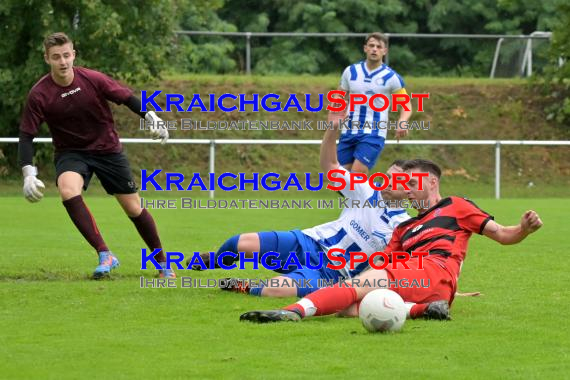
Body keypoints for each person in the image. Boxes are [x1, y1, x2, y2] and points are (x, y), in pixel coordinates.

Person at [239, 159, 543, 323]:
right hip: (423, 287)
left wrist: (524, 228)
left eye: (412, 183)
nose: (407, 190)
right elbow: (379, 261)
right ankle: (425, 311)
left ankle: (293, 313)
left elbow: (503, 234)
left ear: (432, 181)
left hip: (434, 270)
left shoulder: (456, 205)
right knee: (348, 307)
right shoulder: (404, 228)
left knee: (359, 286)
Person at [18, 32, 173, 279]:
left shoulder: (92, 79)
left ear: (74, 55)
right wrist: (28, 174)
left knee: (134, 208)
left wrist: (152, 117)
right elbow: (26, 136)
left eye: (67, 55)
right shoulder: (39, 94)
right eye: (56, 57)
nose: (63, 61)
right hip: (71, 153)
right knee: (68, 190)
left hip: (107, 150)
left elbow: (127, 98)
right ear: (47, 58)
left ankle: (163, 264)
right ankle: (105, 254)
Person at [193, 122, 410, 298]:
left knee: (275, 289)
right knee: (240, 243)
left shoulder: (404, 226)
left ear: (410, 189)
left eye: (396, 180)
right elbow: (330, 166)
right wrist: (332, 129)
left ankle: (244, 286)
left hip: (331, 273)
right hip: (307, 242)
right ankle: (216, 259)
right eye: (387, 176)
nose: (387, 182)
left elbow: (390, 271)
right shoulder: (365, 189)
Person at [329, 32, 412, 175]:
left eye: (379, 47)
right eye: (371, 45)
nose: (375, 49)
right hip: (349, 130)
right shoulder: (350, 71)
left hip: (374, 132)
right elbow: (339, 97)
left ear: (385, 51)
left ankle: (376, 195)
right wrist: (335, 113)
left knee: (357, 174)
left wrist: (402, 121)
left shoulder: (392, 77)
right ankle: (377, 195)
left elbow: (407, 106)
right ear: (365, 48)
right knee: (339, 179)